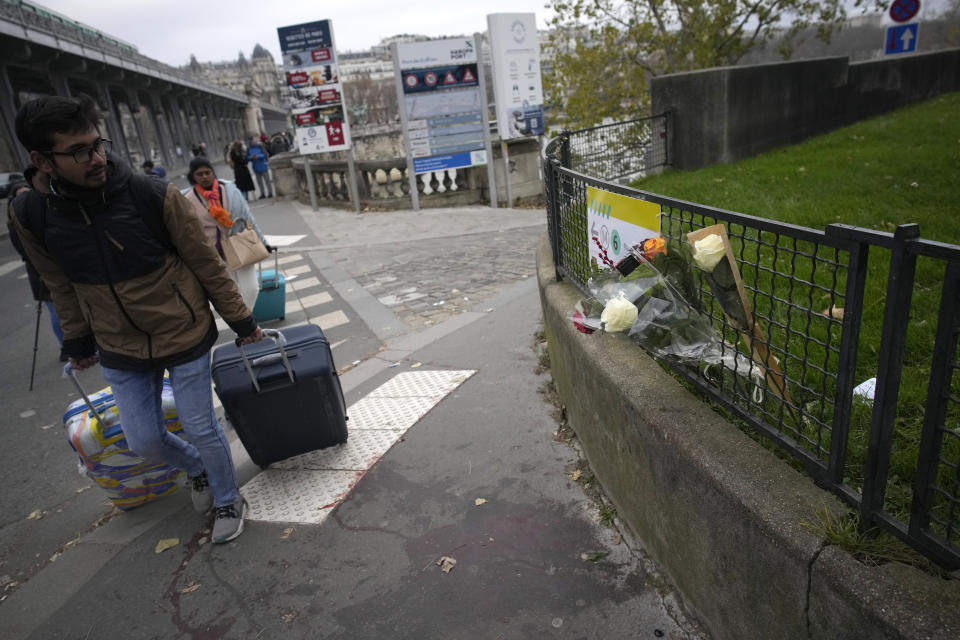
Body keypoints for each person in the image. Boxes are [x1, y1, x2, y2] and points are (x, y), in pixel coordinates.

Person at [9, 95, 263, 544]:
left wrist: (242, 322)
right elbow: (59, 285)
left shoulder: (150, 193)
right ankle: (198, 468)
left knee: (201, 425)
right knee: (142, 439)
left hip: (182, 329)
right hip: (118, 343)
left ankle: (227, 497)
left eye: (97, 144)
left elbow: (206, 263)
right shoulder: (32, 214)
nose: (96, 159)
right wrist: (77, 341)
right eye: (79, 152)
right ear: (40, 160)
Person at [182, 157, 269, 310]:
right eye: (199, 174)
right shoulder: (187, 199)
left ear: (213, 172)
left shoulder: (229, 190)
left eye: (207, 172)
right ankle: (246, 326)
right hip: (214, 253)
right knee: (232, 292)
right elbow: (187, 231)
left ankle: (246, 320)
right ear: (193, 176)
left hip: (240, 244)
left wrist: (263, 242)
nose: (204, 176)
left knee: (252, 288)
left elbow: (247, 216)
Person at [5, 173, 65, 360]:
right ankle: (67, 347)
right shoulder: (31, 216)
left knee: (60, 309)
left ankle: (70, 346)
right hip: (40, 271)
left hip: (42, 268)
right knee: (55, 309)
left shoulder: (19, 218)